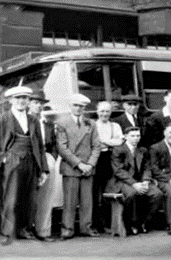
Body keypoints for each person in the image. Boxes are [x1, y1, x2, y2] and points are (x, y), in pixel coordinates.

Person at [0, 86, 49, 245]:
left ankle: (24, 230)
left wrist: (44, 169)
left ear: (28, 101)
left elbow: (40, 146)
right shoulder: (0, 119)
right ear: (11, 100)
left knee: (29, 199)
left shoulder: (33, 120)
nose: (22, 101)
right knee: (10, 199)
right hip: (12, 163)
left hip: (31, 162)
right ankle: (5, 232)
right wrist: (3, 157)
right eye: (18, 98)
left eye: (25, 98)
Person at [55, 93, 101, 239]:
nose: (78, 108)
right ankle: (67, 230)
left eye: (81, 106)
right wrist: (79, 164)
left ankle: (86, 228)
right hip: (71, 167)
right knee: (69, 201)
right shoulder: (62, 123)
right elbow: (62, 148)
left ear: (85, 108)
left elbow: (96, 146)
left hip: (88, 167)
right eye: (75, 105)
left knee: (87, 201)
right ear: (70, 106)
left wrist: (90, 164)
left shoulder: (91, 124)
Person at [105, 126, 163, 235]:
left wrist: (145, 181)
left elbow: (147, 167)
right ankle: (132, 223)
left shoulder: (142, 150)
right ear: (126, 137)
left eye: (138, 136)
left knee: (157, 194)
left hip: (140, 181)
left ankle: (144, 221)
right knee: (132, 194)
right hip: (122, 181)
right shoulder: (118, 150)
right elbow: (118, 171)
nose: (136, 138)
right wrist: (134, 183)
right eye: (133, 136)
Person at [29, 90, 60, 242]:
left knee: (46, 196)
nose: (38, 106)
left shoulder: (48, 124)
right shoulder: (23, 121)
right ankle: (24, 229)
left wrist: (52, 159)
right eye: (35, 102)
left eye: (41, 103)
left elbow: (53, 145)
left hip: (46, 159)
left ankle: (43, 231)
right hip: (29, 159)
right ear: (29, 103)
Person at [93, 101, 123, 233]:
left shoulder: (115, 125)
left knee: (109, 191)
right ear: (97, 111)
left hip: (109, 159)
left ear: (111, 112)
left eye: (107, 111)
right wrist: (110, 142)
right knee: (94, 193)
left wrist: (104, 141)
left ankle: (108, 223)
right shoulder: (93, 125)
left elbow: (120, 141)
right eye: (102, 111)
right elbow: (93, 143)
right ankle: (95, 224)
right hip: (95, 159)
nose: (104, 114)